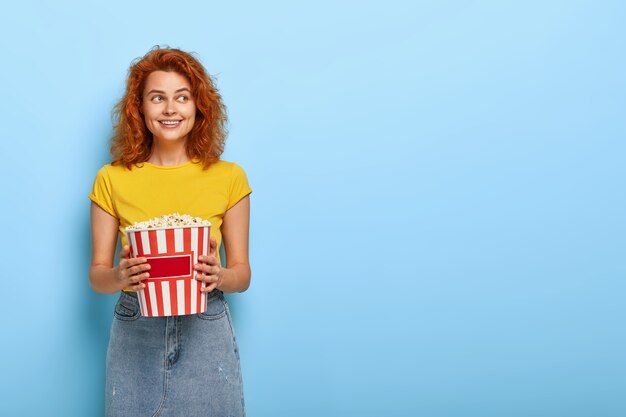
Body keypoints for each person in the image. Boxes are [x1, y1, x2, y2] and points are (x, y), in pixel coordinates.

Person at [88, 47, 251, 417]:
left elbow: (242, 274)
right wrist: (117, 275)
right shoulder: (111, 178)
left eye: (182, 97)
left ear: (199, 107)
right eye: (157, 98)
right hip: (136, 326)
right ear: (140, 109)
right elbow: (97, 275)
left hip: (206, 325)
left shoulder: (230, 178)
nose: (170, 109)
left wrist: (221, 274)